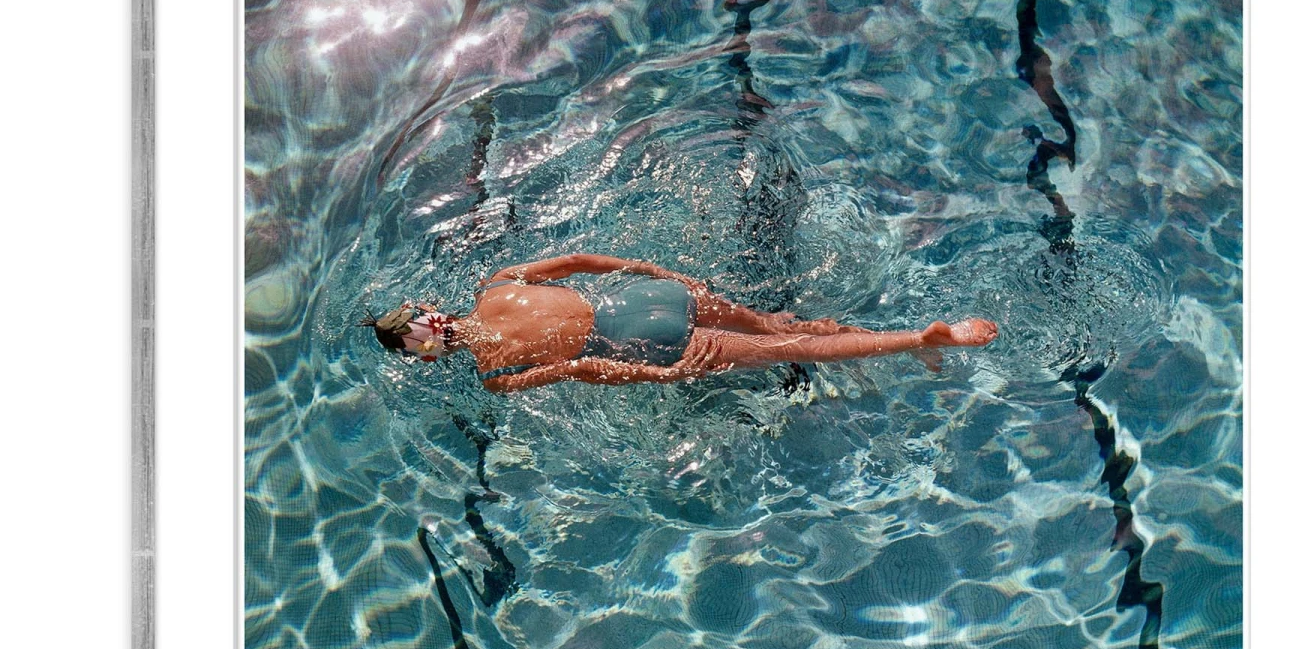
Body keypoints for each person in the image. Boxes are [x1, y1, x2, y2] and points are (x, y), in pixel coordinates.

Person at [364, 252, 997, 392]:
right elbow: (586, 259)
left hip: (644, 339)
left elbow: (584, 368)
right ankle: (902, 340)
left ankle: (921, 338)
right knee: (781, 329)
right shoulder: (497, 282)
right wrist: (658, 274)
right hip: (649, 296)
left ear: (424, 352)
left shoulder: (494, 375)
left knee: (790, 351)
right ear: (431, 311)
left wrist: (659, 374)